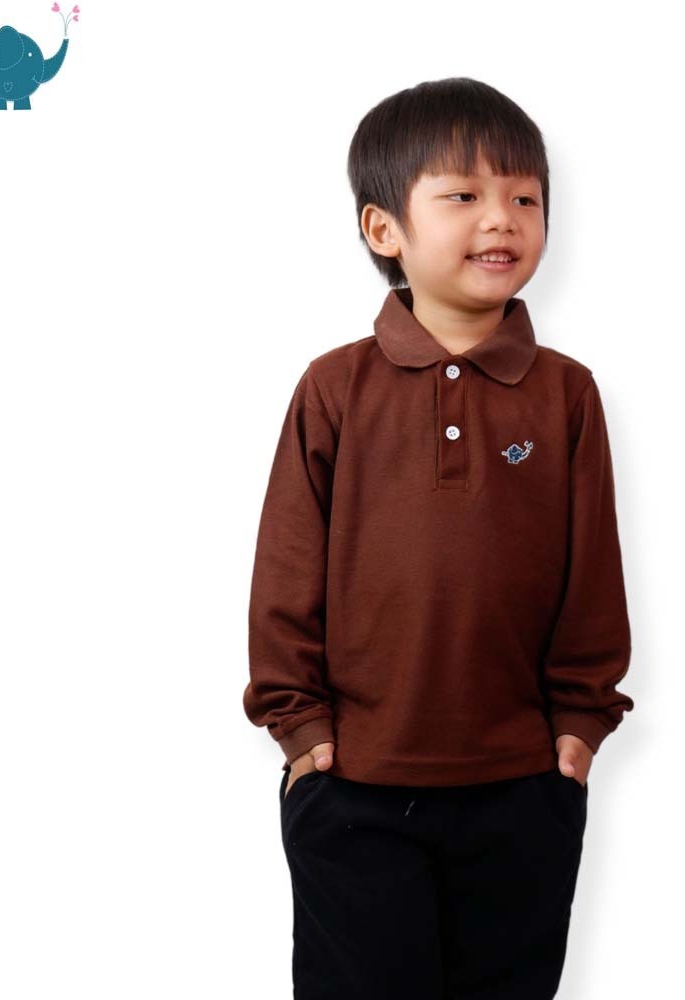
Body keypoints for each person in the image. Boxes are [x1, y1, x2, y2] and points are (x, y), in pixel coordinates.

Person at [243, 76, 634, 1000]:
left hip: (523, 788)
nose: (502, 218)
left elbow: (593, 573)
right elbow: (287, 567)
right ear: (385, 229)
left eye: (525, 198)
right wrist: (301, 733)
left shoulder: (567, 393)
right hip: (355, 787)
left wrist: (579, 727)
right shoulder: (335, 387)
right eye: (463, 194)